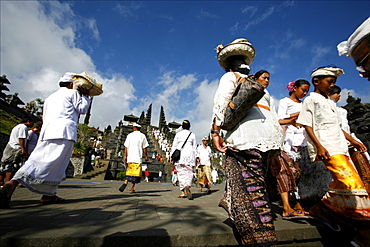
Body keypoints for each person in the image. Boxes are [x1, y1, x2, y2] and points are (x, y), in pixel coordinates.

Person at [212, 38, 283, 246]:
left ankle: (258, 235)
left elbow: (220, 105)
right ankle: (236, 206)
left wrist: (215, 132)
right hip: (267, 140)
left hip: (246, 138)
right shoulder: (263, 88)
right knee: (256, 183)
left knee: (251, 186)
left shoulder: (229, 77)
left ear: (228, 65)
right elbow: (274, 117)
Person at [297, 66, 370, 245]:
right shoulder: (311, 100)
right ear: (316, 81)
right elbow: (307, 125)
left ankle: (320, 209)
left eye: (334, 83)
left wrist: (352, 140)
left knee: (344, 185)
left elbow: (337, 127)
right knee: (353, 185)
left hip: (340, 147)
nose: (332, 86)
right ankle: (363, 232)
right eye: (329, 82)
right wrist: (319, 146)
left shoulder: (331, 102)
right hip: (328, 147)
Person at [0, 72, 91, 208]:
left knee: (38, 159)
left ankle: (47, 194)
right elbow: (82, 109)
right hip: (64, 132)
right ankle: (16, 184)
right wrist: (86, 96)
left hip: (47, 132)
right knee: (57, 164)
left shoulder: (50, 98)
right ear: (72, 84)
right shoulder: (73, 93)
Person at [277, 80, 332, 215]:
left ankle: (302, 201)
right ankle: (291, 202)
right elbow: (280, 119)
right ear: (294, 88)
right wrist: (297, 117)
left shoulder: (304, 104)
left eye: (307, 91)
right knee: (291, 173)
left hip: (304, 142)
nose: (305, 93)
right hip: (289, 142)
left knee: (304, 173)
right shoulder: (285, 102)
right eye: (303, 90)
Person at [0, 117, 34, 186]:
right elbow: (21, 139)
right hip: (15, 148)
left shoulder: (18, 126)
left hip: (11, 146)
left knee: (5, 164)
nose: (33, 124)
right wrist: (23, 149)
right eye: (32, 122)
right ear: (28, 121)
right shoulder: (23, 127)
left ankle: (3, 182)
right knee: (11, 165)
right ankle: (8, 182)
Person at [118, 123, 149, 193]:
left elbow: (126, 147)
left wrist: (125, 156)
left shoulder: (129, 135)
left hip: (130, 157)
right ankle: (132, 188)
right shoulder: (142, 136)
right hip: (138, 157)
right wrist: (146, 156)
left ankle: (126, 181)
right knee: (136, 174)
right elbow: (145, 147)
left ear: (134, 128)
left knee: (129, 170)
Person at [171, 120, 197, 200]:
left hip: (180, 155)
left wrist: (171, 157)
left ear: (182, 126)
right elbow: (194, 148)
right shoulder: (192, 135)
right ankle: (188, 185)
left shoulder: (178, 134)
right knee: (189, 172)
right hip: (189, 155)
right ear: (189, 127)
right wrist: (196, 157)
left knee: (181, 173)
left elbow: (174, 146)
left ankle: (182, 192)